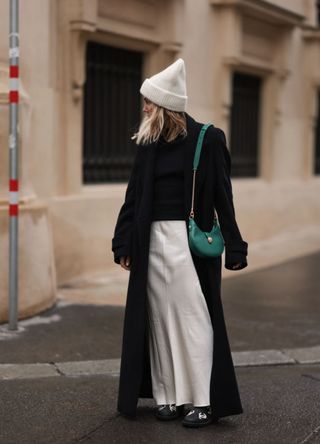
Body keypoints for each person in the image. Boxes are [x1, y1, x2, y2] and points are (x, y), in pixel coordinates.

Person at [111, 58, 248, 428]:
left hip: (187, 243)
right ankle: (168, 396)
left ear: (166, 106)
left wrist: (236, 246)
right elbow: (133, 196)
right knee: (159, 320)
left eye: (149, 102)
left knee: (194, 320)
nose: (144, 108)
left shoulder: (208, 139)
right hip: (149, 243)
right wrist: (122, 242)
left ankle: (202, 400)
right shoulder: (149, 144)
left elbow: (223, 196)